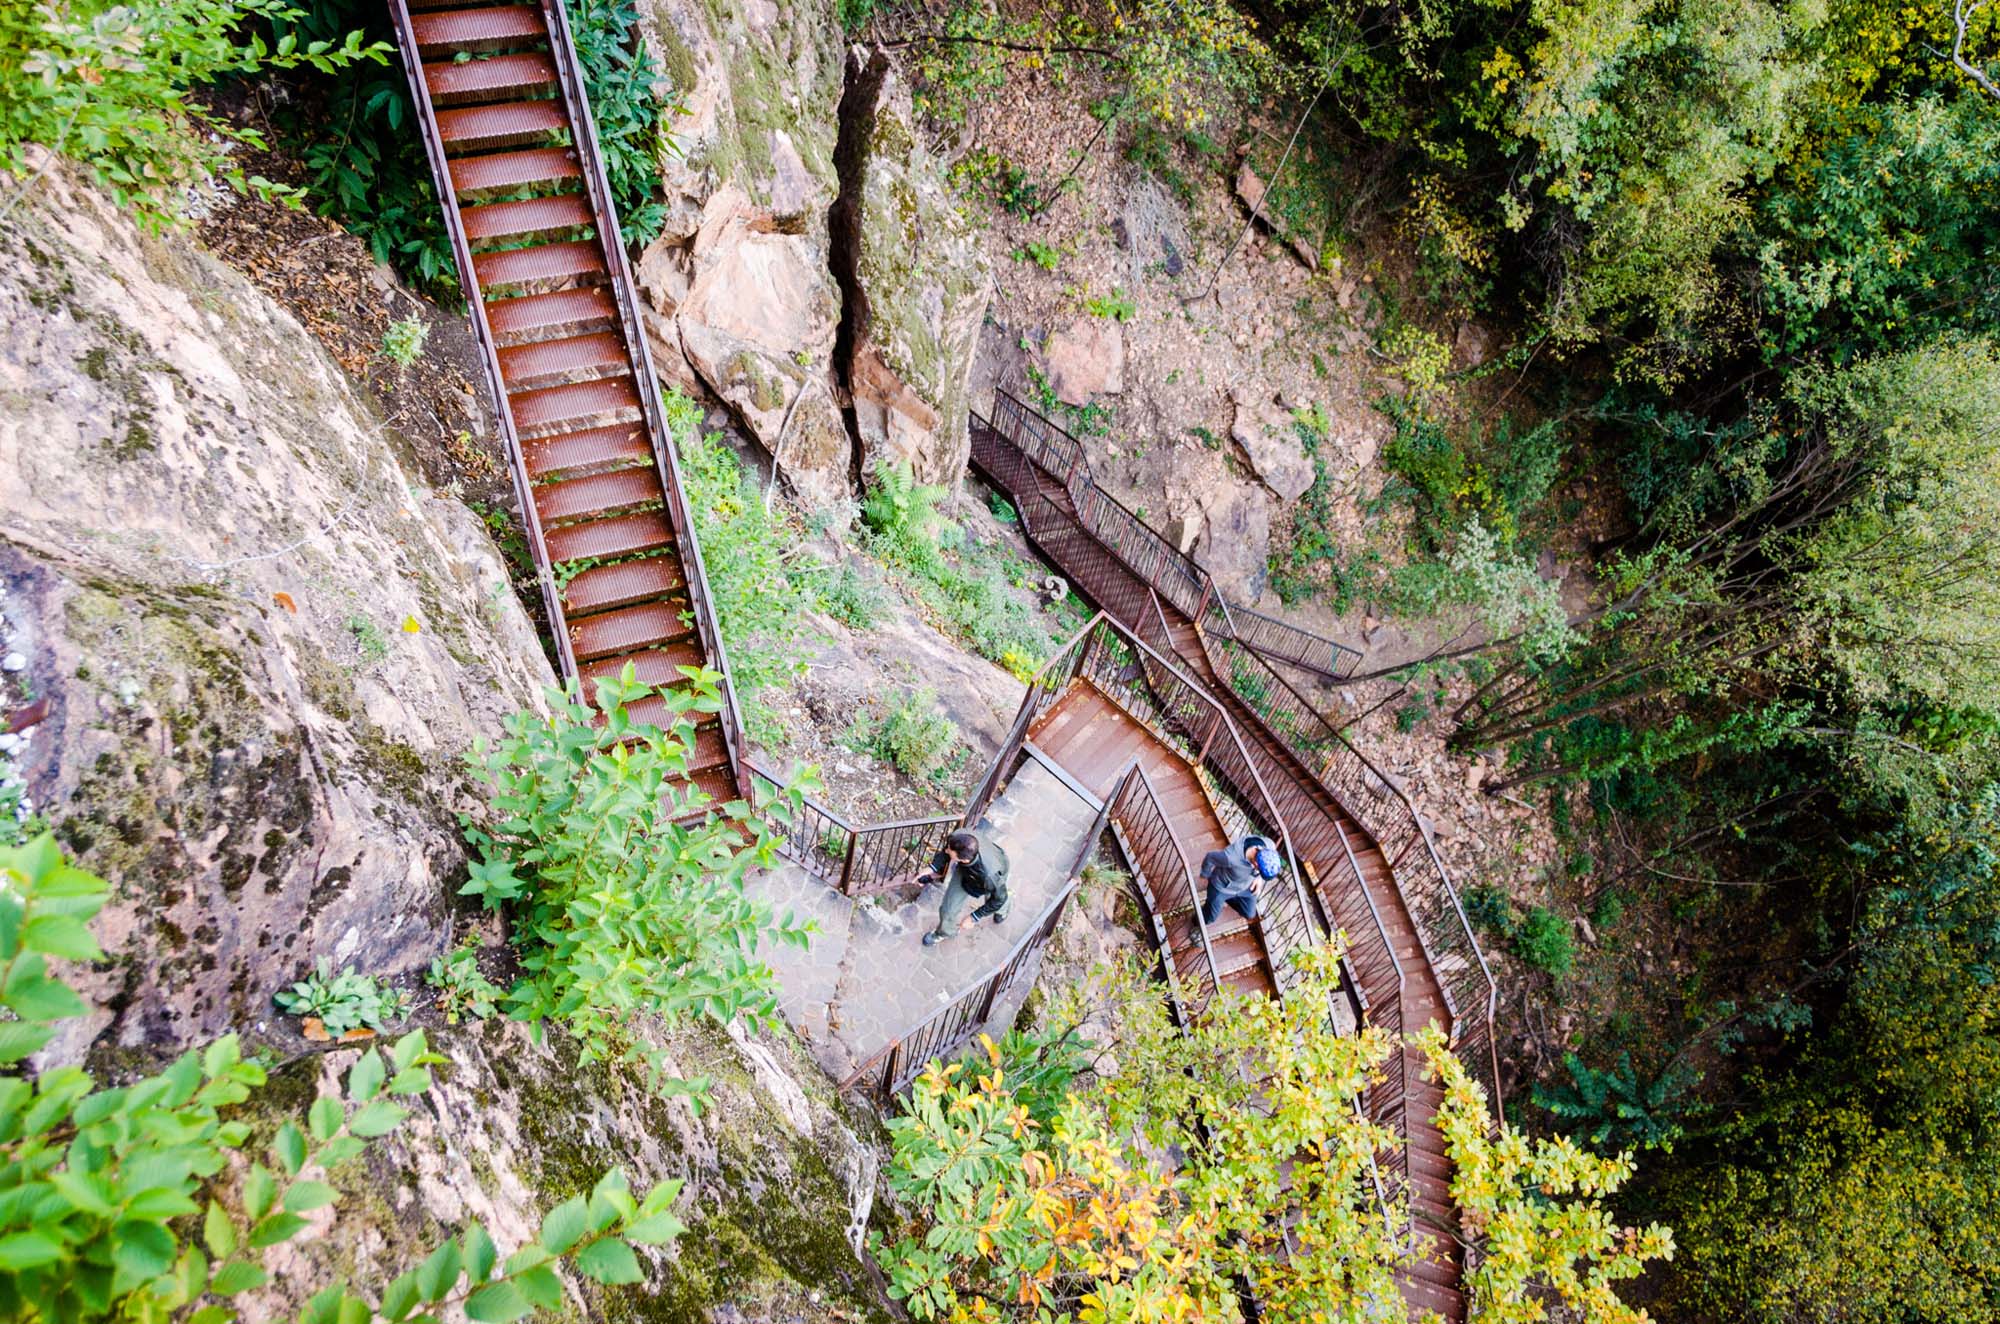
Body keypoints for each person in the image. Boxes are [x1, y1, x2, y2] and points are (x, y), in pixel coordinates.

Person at [918, 828, 1011, 947]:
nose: (946, 850)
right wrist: (933, 868)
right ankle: (945, 932)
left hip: (995, 870)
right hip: (967, 871)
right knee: (948, 908)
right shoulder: (958, 837)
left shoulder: (990, 878)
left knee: (996, 899)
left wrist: (974, 917)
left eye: (950, 851)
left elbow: (999, 899)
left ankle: (1003, 910)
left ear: (964, 860)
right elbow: (946, 851)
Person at [1199, 834, 1280, 925]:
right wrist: (1205, 875)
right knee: (1210, 917)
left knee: (1249, 913)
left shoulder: (1269, 845)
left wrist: (1259, 878)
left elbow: (1267, 864)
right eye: (1259, 871)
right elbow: (1210, 857)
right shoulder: (1231, 858)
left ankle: (1227, 899)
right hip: (1222, 888)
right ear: (1256, 864)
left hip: (1244, 887)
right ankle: (1197, 921)